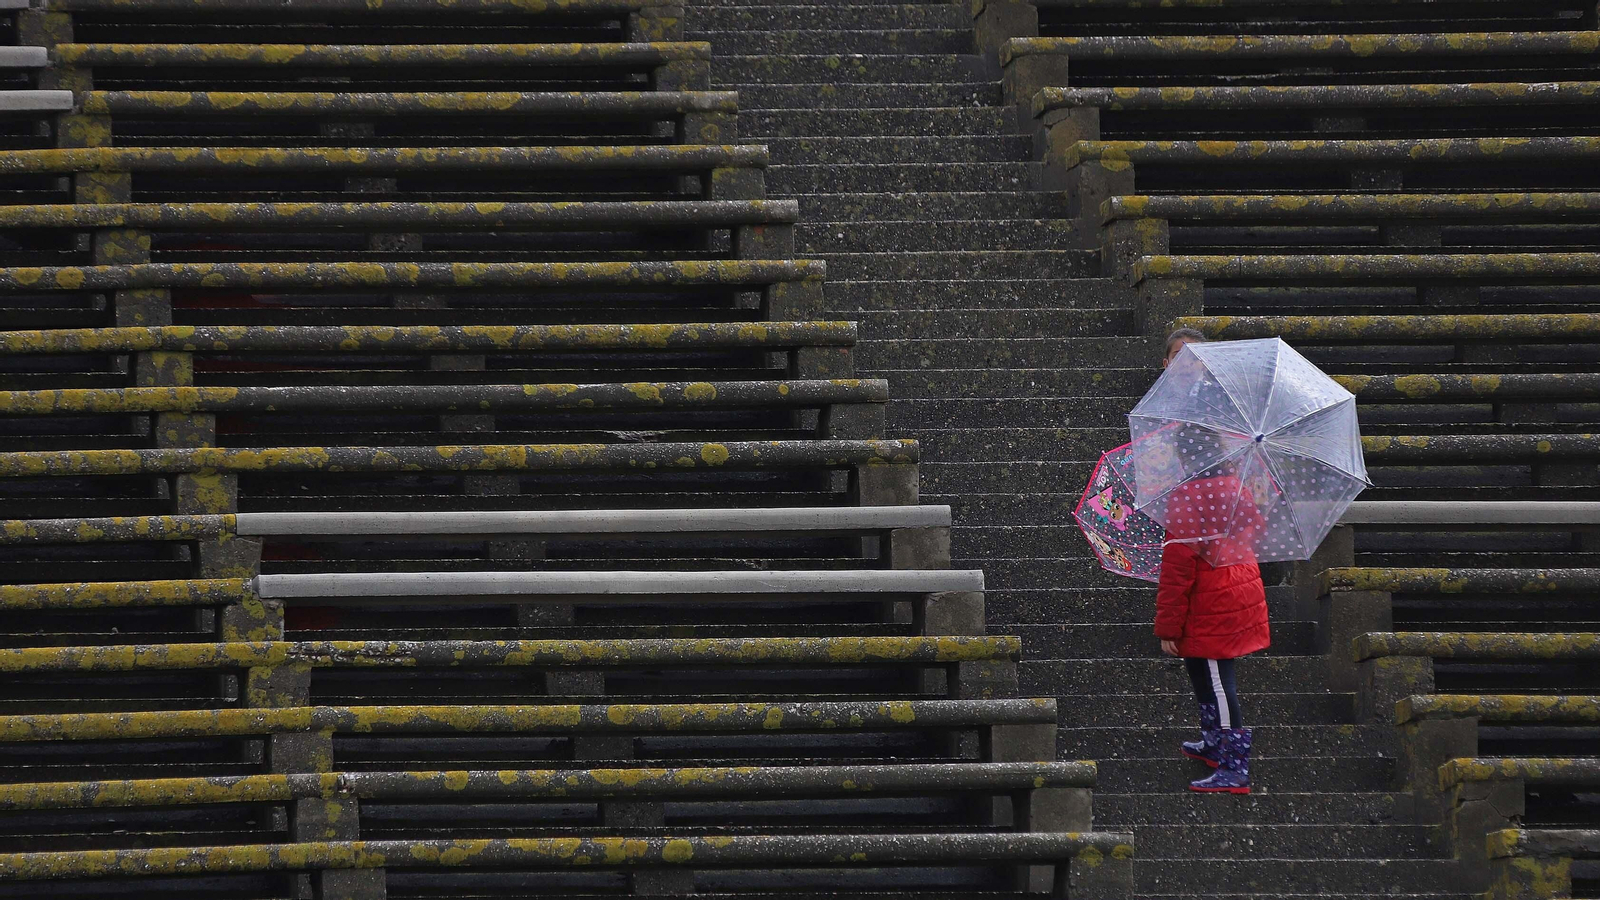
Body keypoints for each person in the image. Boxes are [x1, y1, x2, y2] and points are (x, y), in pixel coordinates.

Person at [1153, 328, 1270, 795]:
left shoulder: (1187, 498)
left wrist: (1167, 628)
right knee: (1204, 672)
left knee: (1219, 682)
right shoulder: (1234, 485)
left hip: (1212, 603)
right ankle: (1211, 741)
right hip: (1236, 590)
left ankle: (1233, 764)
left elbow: (1177, 571)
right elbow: (1256, 526)